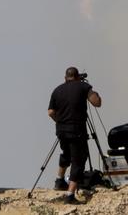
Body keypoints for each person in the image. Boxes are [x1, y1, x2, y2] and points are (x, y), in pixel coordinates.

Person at [48, 67, 102, 204]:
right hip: (76, 130)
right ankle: (70, 195)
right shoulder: (83, 86)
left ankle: (59, 181)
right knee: (78, 159)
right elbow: (97, 103)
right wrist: (93, 92)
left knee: (66, 154)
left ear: (65, 77)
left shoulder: (57, 90)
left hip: (61, 130)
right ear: (77, 77)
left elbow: (50, 112)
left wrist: (60, 121)